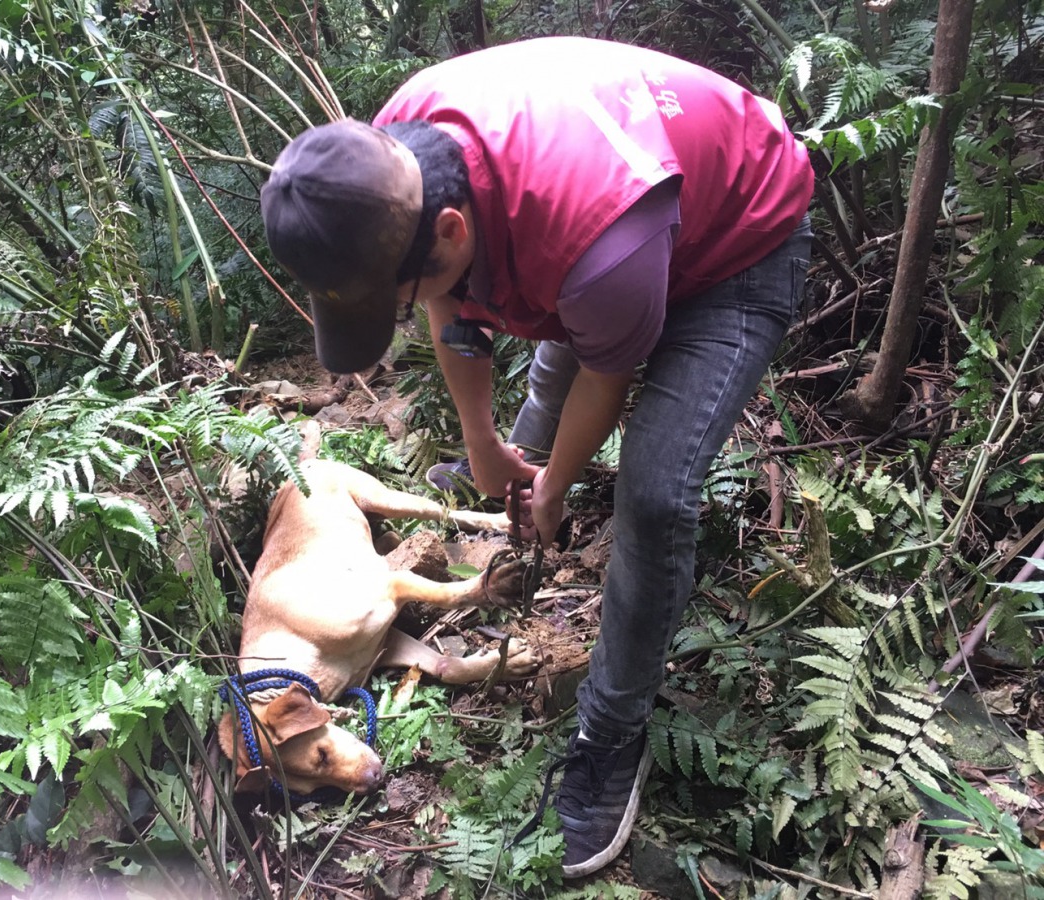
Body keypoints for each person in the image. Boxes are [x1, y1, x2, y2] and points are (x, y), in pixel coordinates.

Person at [257, 35, 814, 878]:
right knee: (556, 342)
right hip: (609, 237)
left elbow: (604, 372)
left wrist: (553, 487)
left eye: (397, 300)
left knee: (654, 494)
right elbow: (455, 307)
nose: (408, 310)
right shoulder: (380, 165)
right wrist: (483, 443)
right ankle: (512, 457)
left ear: (450, 233)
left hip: (737, 242)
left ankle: (612, 733)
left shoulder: (596, 248)